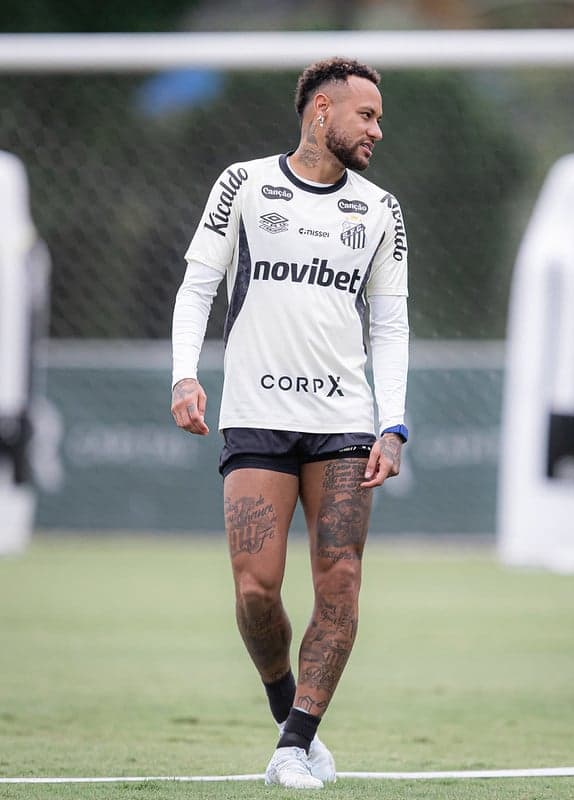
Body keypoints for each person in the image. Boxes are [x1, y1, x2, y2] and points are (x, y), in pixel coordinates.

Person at [170, 56, 409, 789]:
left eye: (378, 117)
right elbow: (199, 283)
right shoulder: (243, 184)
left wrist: (392, 424)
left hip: (343, 420)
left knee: (340, 579)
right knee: (255, 588)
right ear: (320, 114)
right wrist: (184, 373)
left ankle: (293, 744)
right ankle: (289, 714)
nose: (377, 128)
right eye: (365, 115)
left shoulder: (380, 210)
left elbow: (390, 322)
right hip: (257, 415)